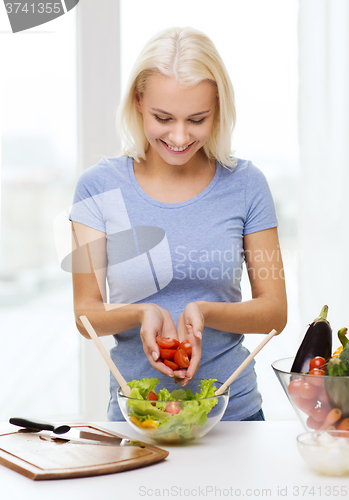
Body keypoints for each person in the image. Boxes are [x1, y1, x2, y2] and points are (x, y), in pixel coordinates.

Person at [70, 26, 287, 422]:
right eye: (163, 118)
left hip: (233, 416)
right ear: (138, 101)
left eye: (197, 119)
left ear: (218, 108)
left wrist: (203, 311)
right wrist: (141, 313)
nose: (180, 136)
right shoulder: (97, 187)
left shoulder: (246, 184)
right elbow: (85, 315)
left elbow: (274, 311)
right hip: (137, 419)